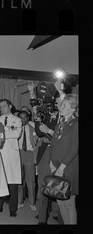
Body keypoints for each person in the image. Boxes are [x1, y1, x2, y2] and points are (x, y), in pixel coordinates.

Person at [35, 91, 65, 224]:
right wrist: (38, 117)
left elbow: (63, 141)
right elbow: (39, 131)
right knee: (43, 186)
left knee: (59, 188)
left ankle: (59, 215)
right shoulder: (50, 114)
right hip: (46, 153)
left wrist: (49, 131)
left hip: (61, 156)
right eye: (57, 103)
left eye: (61, 103)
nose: (58, 106)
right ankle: (42, 219)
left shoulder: (70, 120)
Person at [49, 94, 78, 224]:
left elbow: (74, 148)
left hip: (68, 167)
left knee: (69, 204)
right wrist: (51, 162)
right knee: (60, 202)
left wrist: (61, 168)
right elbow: (53, 144)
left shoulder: (76, 124)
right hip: (56, 166)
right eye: (61, 104)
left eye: (64, 105)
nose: (60, 106)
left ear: (73, 109)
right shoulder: (60, 123)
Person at [0, 99, 22, 217]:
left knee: (13, 183)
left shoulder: (17, 120)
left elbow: (17, 134)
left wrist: (3, 133)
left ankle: (12, 208)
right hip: (0, 152)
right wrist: (8, 131)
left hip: (12, 154)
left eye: (4, 106)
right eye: (0, 107)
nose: (2, 109)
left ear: (10, 106)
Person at [17, 111, 37, 212]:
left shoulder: (33, 128)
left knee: (31, 181)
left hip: (29, 154)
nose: (23, 120)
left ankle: (32, 203)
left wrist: (35, 157)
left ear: (28, 118)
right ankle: (20, 202)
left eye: (25, 117)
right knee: (19, 180)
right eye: (21, 117)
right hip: (18, 153)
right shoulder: (16, 128)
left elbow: (36, 144)